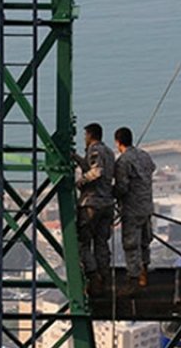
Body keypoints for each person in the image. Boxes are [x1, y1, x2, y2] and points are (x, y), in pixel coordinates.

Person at [73, 122, 115, 292]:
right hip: (107, 203)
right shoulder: (110, 152)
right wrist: (76, 158)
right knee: (101, 242)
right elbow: (93, 167)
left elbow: (96, 171)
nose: (84, 139)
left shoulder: (95, 150)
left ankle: (93, 275)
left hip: (92, 203)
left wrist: (80, 182)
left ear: (90, 136)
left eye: (85, 136)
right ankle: (104, 275)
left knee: (83, 242)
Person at [113, 126, 156, 289]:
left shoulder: (123, 161)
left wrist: (111, 192)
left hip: (132, 209)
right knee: (145, 241)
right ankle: (144, 270)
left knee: (131, 245)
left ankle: (134, 278)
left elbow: (122, 188)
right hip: (146, 206)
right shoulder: (144, 155)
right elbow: (152, 168)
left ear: (118, 142)